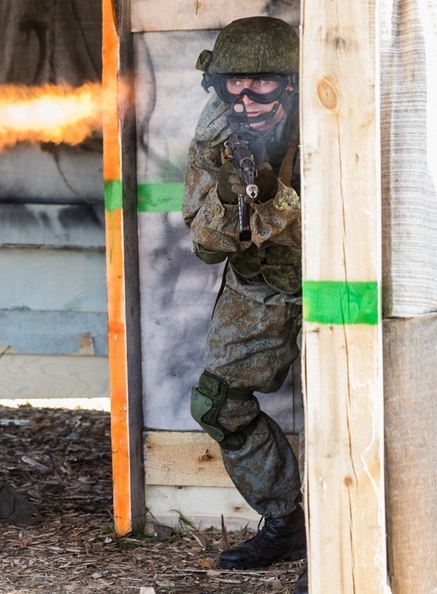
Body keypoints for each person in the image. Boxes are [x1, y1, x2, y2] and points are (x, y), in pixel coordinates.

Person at [182, 17, 308, 594]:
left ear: (290, 81)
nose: (245, 97)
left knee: (353, 407)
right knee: (219, 403)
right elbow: (204, 244)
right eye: (234, 83)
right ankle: (286, 522)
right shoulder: (217, 132)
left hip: (337, 280)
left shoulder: (329, 114)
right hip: (262, 282)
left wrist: (272, 194)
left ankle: (354, 539)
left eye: (261, 84)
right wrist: (234, 195)